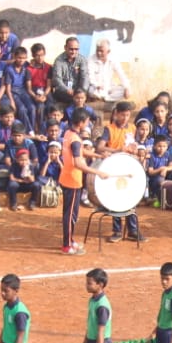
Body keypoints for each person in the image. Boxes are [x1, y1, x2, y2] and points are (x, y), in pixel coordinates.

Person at [60, 108, 109, 255]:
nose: (88, 124)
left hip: (67, 177)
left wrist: (97, 155)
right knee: (70, 215)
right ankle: (67, 245)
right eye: (87, 121)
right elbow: (78, 163)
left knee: (70, 213)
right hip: (72, 180)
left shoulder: (69, 134)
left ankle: (69, 241)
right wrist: (98, 172)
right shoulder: (75, 139)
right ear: (81, 122)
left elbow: (80, 152)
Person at [82, 268, 113, 343]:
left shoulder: (102, 306)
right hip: (93, 342)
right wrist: (85, 342)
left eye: (90, 283)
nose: (87, 286)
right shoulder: (93, 300)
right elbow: (91, 324)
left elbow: (101, 331)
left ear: (100, 285)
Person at [87, 38, 129, 103]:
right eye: (97, 50)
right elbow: (90, 77)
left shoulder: (113, 60)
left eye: (101, 51)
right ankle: (106, 98)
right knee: (92, 91)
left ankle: (104, 98)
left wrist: (126, 88)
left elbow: (121, 75)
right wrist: (97, 85)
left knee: (125, 90)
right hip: (96, 88)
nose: (99, 53)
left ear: (108, 51)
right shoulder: (90, 60)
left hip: (109, 88)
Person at [51, 37, 89, 104]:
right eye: (71, 49)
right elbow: (57, 79)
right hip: (63, 91)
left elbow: (85, 77)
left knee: (80, 98)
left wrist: (82, 91)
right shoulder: (58, 61)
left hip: (78, 91)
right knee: (74, 100)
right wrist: (67, 90)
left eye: (76, 49)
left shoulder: (82, 60)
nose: (73, 52)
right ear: (65, 47)